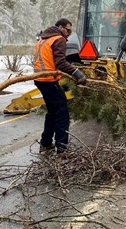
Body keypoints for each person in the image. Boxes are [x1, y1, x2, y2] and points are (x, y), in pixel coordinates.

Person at [34, 18, 87, 154]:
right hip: (49, 80)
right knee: (62, 113)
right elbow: (61, 63)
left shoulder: (44, 38)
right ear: (61, 27)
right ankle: (62, 147)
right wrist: (77, 73)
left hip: (40, 79)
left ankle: (45, 144)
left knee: (52, 112)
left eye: (70, 30)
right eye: (68, 30)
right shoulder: (58, 39)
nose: (69, 33)